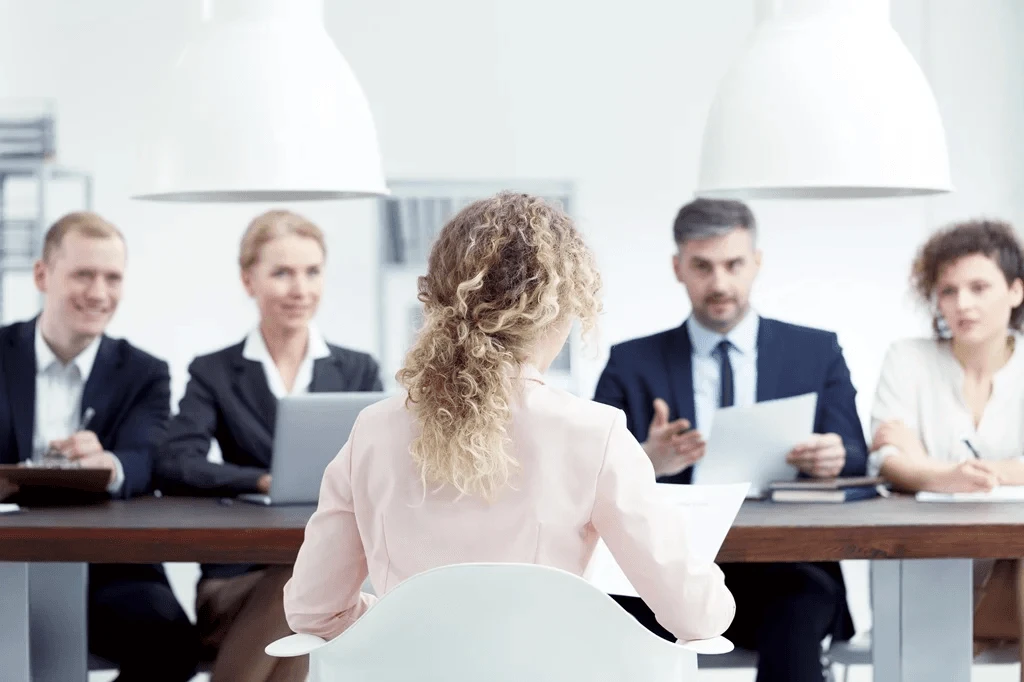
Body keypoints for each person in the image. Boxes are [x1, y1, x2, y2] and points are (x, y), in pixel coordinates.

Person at [282, 192, 736, 644]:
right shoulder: (596, 434)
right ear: (559, 305)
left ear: (439, 298)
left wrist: (394, 621)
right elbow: (697, 616)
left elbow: (313, 611)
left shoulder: (372, 431)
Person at [593, 197, 866, 682]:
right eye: (702, 266)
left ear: (756, 263)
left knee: (799, 599)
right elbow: (589, 474)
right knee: (617, 624)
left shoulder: (815, 351)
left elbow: (857, 454)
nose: (719, 284)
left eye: (733, 264)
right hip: (666, 568)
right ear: (678, 268)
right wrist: (646, 460)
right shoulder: (631, 364)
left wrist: (835, 456)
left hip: (786, 569)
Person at [154, 209, 383, 682]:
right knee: (299, 584)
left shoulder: (358, 370)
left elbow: (382, 466)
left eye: (311, 271)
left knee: (306, 587)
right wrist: (260, 480)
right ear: (248, 280)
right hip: (234, 581)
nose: (300, 289)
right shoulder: (215, 371)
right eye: (282, 273)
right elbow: (175, 461)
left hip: (328, 579)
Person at [0, 212, 198, 681]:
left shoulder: (144, 371)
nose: (99, 293)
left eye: (112, 277)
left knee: (169, 640)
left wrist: (108, 463)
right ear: (41, 275)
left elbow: (148, 458)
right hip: (4, 558)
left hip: (109, 566)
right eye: (83, 275)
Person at [870, 219, 1024, 668]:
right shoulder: (908, 358)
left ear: (1016, 291)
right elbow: (889, 459)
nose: (963, 304)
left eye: (979, 287)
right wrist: (942, 473)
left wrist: (936, 469)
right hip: (930, 556)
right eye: (948, 291)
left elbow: (909, 459)